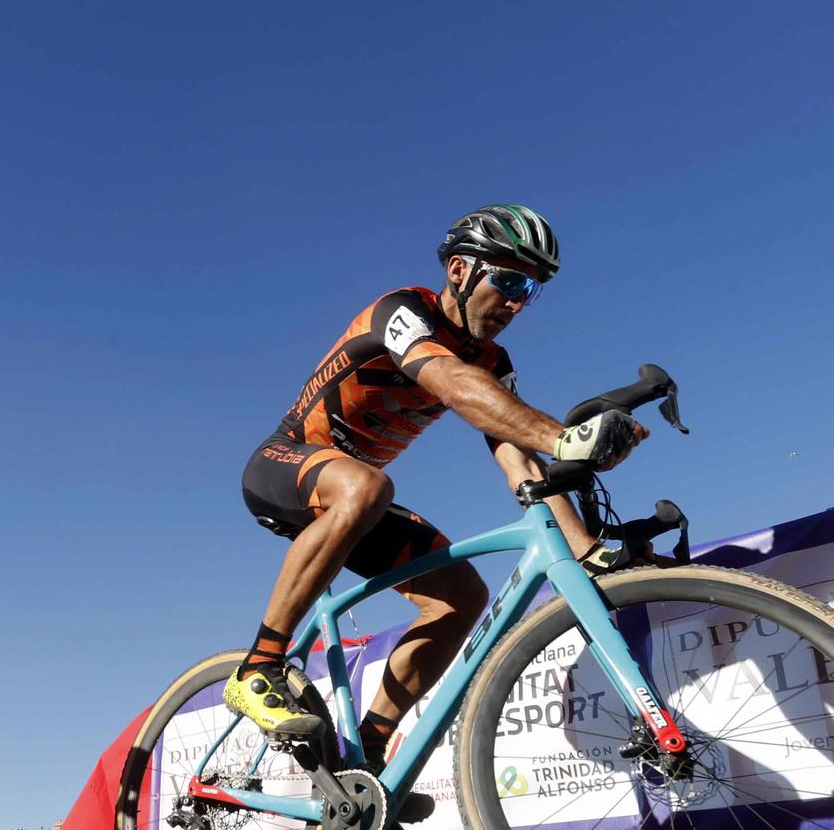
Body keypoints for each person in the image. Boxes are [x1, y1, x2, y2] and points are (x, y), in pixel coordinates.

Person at [228, 205, 644, 772]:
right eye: (511, 280)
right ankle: (259, 668)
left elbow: (515, 453)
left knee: (462, 597)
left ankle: (367, 754)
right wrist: (564, 437)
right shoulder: (403, 310)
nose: (519, 303)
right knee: (369, 485)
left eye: (532, 290)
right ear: (459, 271)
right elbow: (448, 381)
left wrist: (582, 547)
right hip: (284, 464)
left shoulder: (493, 360)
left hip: (356, 498)